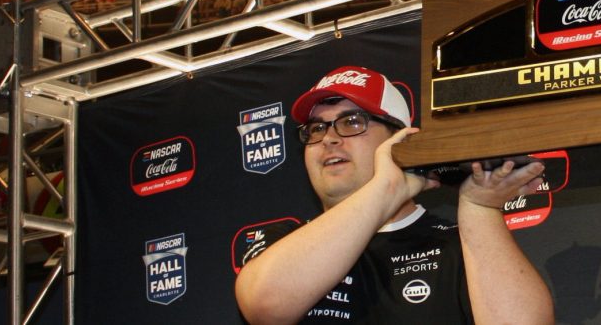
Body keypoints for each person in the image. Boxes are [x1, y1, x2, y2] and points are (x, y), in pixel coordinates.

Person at [235, 65, 554, 324]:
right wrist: (385, 188)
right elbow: (265, 304)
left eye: (351, 122)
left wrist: (479, 208)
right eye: (316, 128)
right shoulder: (282, 240)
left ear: (400, 139)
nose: (329, 138)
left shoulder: (459, 244)